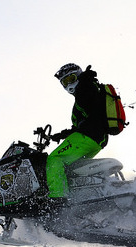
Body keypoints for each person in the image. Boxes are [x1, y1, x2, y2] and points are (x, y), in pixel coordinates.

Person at [45, 63, 111, 208]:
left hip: (88, 136)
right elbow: (81, 124)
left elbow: (87, 100)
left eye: (71, 78)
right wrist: (59, 135)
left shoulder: (86, 88)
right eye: (65, 82)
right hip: (96, 139)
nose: (69, 84)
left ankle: (58, 200)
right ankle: (82, 197)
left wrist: (85, 79)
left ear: (79, 75)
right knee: (71, 170)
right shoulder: (85, 93)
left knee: (55, 159)